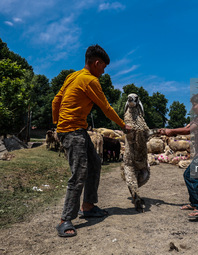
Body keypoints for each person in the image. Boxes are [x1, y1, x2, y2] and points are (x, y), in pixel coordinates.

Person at [52, 45, 130, 237]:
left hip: (76, 129)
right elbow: (106, 108)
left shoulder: (73, 76)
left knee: (95, 162)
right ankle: (65, 219)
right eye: (103, 67)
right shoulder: (91, 81)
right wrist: (122, 125)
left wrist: (57, 123)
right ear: (97, 63)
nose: (104, 71)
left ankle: (88, 206)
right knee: (79, 173)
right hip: (72, 131)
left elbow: (56, 100)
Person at [159, 93, 198, 219]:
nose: (192, 107)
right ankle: (195, 203)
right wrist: (167, 131)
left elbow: (187, 131)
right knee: (190, 175)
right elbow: (187, 127)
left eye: (194, 105)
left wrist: (172, 131)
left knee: (190, 176)